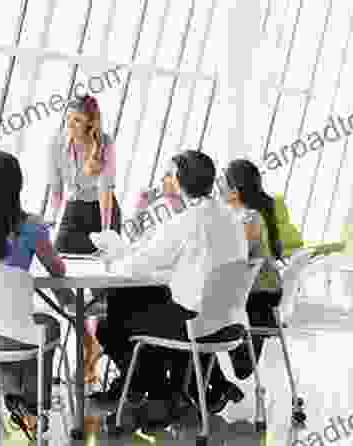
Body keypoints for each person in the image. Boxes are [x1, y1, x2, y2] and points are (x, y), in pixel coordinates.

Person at [102, 150, 250, 428]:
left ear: (181, 181)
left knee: (110, 323)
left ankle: (155, 397)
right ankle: (169, 395)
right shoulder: (230, 218)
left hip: (193, 323)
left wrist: (115, 256)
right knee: (149, 305)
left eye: (169, 174)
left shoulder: (187, 221)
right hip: (228, 321)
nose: (165, 179)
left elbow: (135, 266)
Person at [0, 150, 71, 440]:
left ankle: (15, 395)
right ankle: (31, 404)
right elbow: (57, 269)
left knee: (11, 323)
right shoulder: (31, 225)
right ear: (18, 185)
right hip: (15, 331)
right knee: (45, 325)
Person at [48, 94, 120, 384]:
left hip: (103, 211)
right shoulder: (57, 143)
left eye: (77, 120)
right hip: (73, 211)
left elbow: (105, 191)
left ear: (90, 121)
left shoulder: (104, 142)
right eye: (68, 119)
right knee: (57, 270)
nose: (71, 125)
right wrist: (53, 220)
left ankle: (94, 351)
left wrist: (105, 232)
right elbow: (55, 188)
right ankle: (88, 337)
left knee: (103, 283)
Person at [222, 159, 284, 364]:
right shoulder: (250, 215)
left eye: (222, 182)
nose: (218, 187)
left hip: (257, 295)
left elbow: (234, 257)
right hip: (260, 292)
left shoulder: (249, 218)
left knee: (191, 313)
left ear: (234, 189)